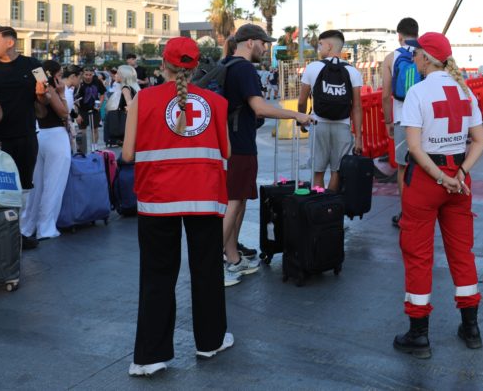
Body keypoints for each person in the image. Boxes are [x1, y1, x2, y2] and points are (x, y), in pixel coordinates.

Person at [123, 37, 233, 377]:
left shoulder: (143, 99)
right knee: (207, 270)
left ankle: (150, 357)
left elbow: (127, 154)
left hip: (158, 198)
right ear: (196, 67)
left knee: (157, 274)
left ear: (162, 64)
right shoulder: (216, 102)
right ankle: (210, 341)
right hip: (204, 196)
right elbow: (227, 151)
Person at [392, 32, 483, 359]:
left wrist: (441, 177)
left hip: (427, 181)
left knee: (418, 254)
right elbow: (480, 141)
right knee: (462, 252)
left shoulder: (417, 93)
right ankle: (471, 328)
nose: (413, 58)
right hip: (459, 181)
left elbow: (414, 148)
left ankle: (419, 335)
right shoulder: (465, 91)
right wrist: (459, 174)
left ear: (427, 58)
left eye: (416, 53)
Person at [220, 23, 310, 285]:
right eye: (263, 43)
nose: (265, 48)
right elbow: (259, 108)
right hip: (239, 144)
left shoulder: (226, 64)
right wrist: (295, 114)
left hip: (230, 142)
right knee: (233, 202)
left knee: (238, 200)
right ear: (250, 42)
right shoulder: (245, 68)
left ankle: (232, 256)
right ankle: (212, 264)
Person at [0, 26, 47, 250]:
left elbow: (45, 96)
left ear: (10, 43)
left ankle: (18, 233)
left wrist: (42, 94)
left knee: (24, 186)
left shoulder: (34, 65)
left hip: (26, 135)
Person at [297, 29, 364, 192]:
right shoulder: (353, 71)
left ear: (329, 46)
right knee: (337, 171)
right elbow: (357, 107)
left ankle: (318, 203)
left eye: (320, 44)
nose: (319, 48)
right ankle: (332, 203)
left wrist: (303, 120)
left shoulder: (312, 68)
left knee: (318, 170)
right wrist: (358, 138)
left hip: (318, 123)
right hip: (343, 125)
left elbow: (302, 101)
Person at [19, 59, 72, 241]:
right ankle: (46, 228)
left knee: (37, 186)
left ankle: (28, 226)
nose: (61, 78)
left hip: (40, 135)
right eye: (60, 74)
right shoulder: (49, 88)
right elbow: (64, 112)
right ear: (54, 74)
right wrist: (62, 94)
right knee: (53, 185)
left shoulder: (33, 86)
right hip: (56, 137)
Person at [381, 17, 420, 228]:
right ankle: (424, 210)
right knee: (425, 165)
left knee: (403, 167)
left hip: (401, 119)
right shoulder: (425, 53)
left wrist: (388, 121)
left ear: (399, 36)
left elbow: (386, 95)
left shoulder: (391, 57)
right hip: (424, 119)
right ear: (417, 34)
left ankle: (406, 213)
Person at [75, 65, 101, 149]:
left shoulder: (97, 81)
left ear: (93, 74)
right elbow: (75, 100)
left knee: (95, 129)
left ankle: (94, 148)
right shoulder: (79, 83)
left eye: (90, 75)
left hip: (95, 109)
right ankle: (83, 149)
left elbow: (103, 93)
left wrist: (99, 103)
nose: (88, 77)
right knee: (82, 131)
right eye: (86, 74)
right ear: (83, 74)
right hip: (82, 110)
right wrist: (77, 114)